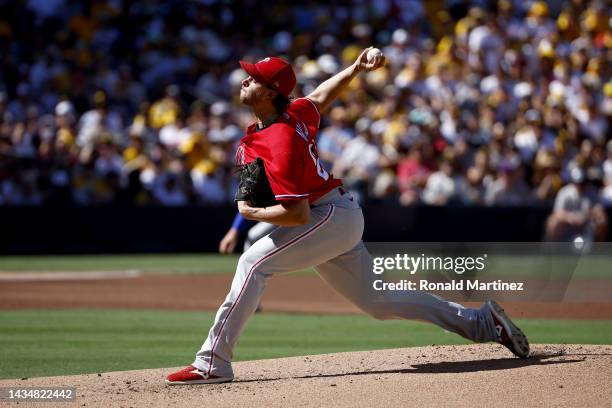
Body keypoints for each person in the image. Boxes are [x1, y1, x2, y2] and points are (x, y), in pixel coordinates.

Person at [166, 48, 530, 385]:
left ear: (270, 91)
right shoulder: (293, 114)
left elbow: (296, 214)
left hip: (326, 216)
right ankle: (483, 323)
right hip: (337, 215)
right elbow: (322, 95)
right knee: (380, 301)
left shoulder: (281, 141)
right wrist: (355, 68)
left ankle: (212, 361)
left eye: (254, 77)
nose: (245, 79)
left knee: (253, 262)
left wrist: (251, 212)